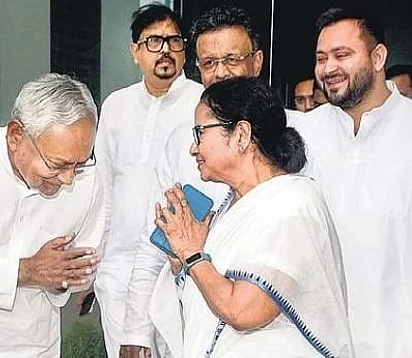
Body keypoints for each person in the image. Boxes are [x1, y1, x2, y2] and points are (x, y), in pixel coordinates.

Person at [151, 76, 354, 357]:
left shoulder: (292, 205)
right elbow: (210, 301)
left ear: (241, 135)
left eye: (200, 133)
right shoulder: (233, 206)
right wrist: (181, 262)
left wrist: (193, 254)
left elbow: (244, 310)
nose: (193, 148)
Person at [120, 6, 271, 357]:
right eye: (209, 63)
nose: (221, 73)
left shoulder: (289, 137)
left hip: (266, 326)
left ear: (257, 62)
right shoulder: (180, 144)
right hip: (194, 321)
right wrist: (135, 332)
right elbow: (153, 239)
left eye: (232, 59)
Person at [0, 73, 105, 356]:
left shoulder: (89, 179)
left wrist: (62, 277)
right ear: (16, 136)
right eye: (57, 164)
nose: (69, 179)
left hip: (36, 347)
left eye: (80, 164)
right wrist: (24, 271)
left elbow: (83, 269)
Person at [294, 7, 412, 357]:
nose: (328, 69)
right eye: (321, 58)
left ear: (378, 57)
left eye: (342, 55)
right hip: (313, 342)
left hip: (396, 341)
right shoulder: (302, 134)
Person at [93, 4, 203, 357]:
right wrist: (98, 260)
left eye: (173, 40)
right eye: (154, 41)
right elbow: (103, 187)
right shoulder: (116, 105)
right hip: (118, 269)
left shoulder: (201, 104)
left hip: (175, 267)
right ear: (134, 52)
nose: (165, 50)